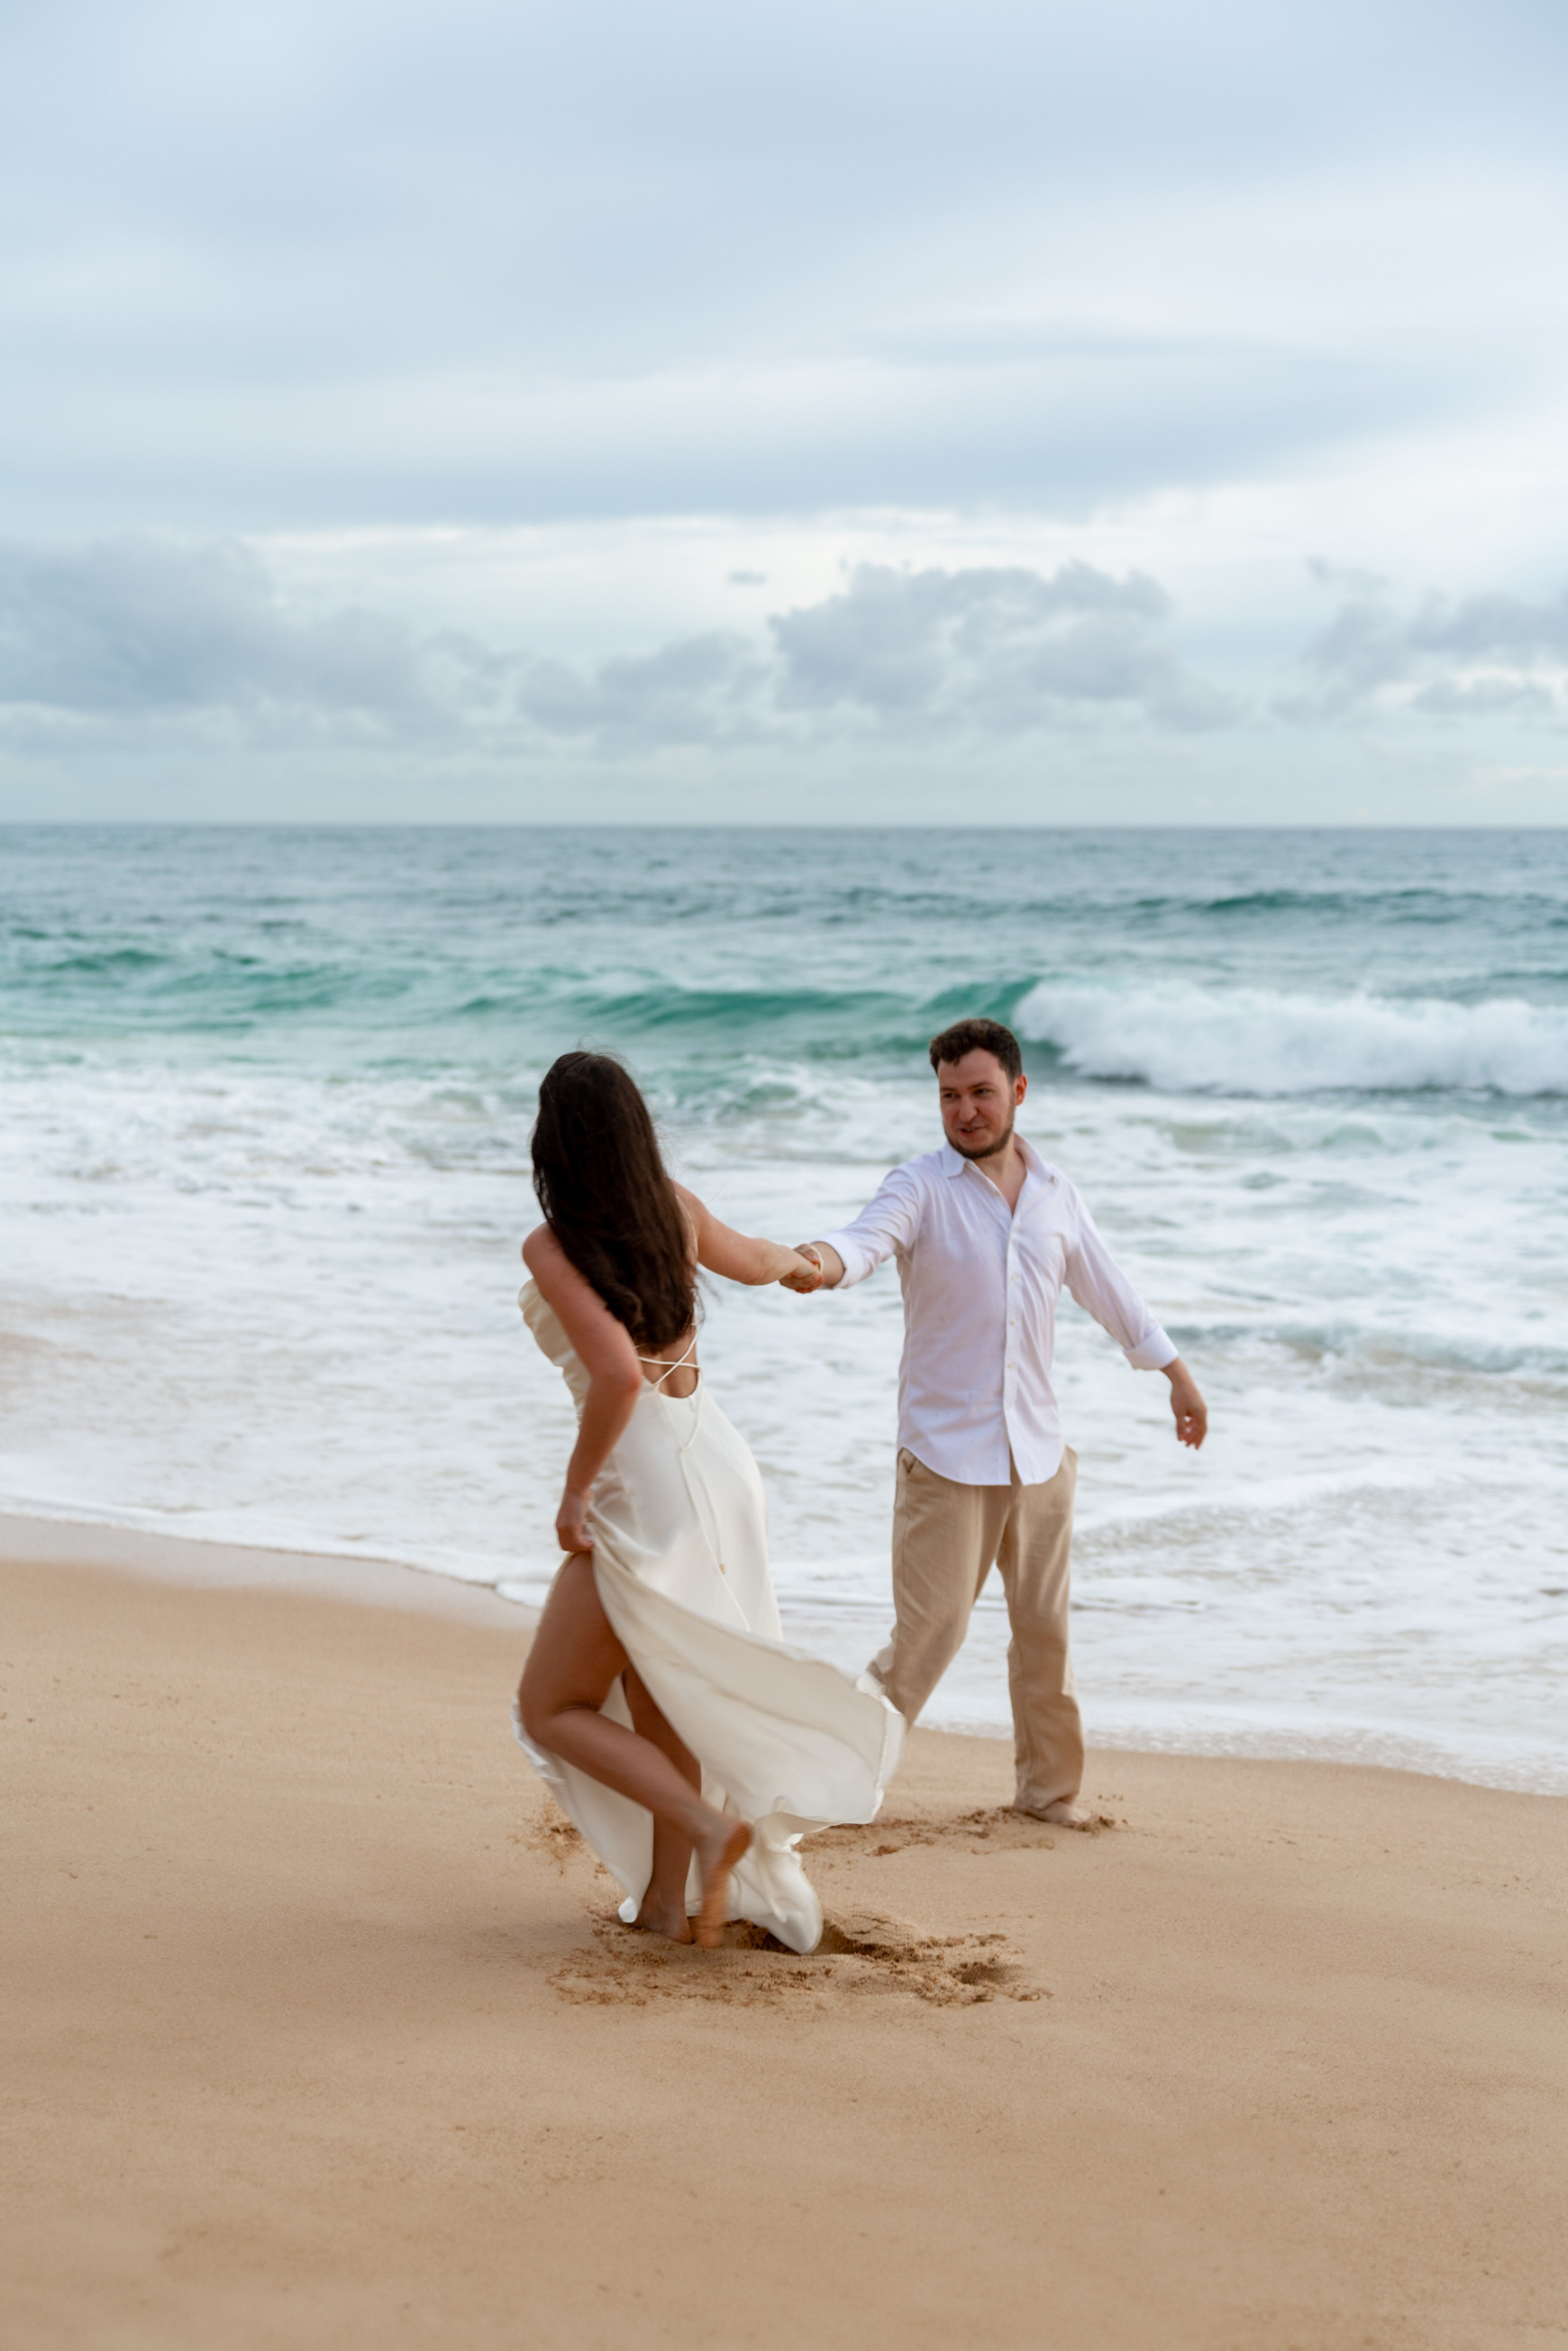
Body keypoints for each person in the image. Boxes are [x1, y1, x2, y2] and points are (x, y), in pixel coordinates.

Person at [513, 1051, 903, 1953]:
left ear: (555, 1146)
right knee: (666, 1681)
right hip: (720, 1460)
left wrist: (574, 1495)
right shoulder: (674, 1205)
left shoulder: (552, 1241)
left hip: (645, 1478)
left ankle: (702, 1823)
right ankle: (660, 1903)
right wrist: (810, 1265)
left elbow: (615, 1376)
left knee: (549, 1706)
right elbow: (763, 1260)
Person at [795, 1016, 1207, 1830]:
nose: (966, 1111)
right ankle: (826, 1785)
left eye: (981, 1092)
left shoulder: (1057, 1194)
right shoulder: (919, 1187)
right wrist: (817, 1262)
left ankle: (1048, 1794)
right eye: (950, 1096)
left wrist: (1176, 1375)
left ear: (1018, 1090)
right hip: (947, 1459)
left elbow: (1108, 1288)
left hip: (1041, 1455)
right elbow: (863, 1241)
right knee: (927, 1641)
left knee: (1045, 1635)